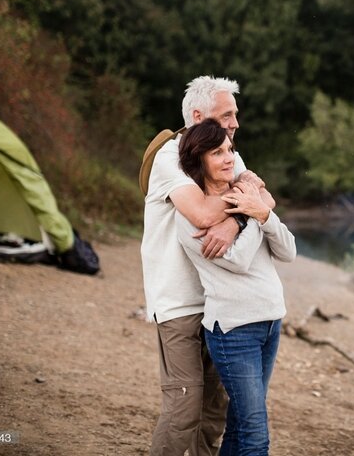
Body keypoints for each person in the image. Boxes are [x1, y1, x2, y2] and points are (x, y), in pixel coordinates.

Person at [142, 76, 274, 456]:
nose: (234, 123)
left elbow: (265, 201)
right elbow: (200, 213)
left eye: (235, 115)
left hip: (221, 302)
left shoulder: (228, 152)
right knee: (183, 408)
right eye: (226, 114)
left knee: (213, 413)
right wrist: (245, 198)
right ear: (198, 115)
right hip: (179, 301)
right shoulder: (170, 157)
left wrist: (235, 220)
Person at [176, 119, 296, 456]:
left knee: (240, 426)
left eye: (229, 149)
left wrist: (261, 214)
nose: (229, 157)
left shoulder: (246, 198)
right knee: (256, 434)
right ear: (198, 161)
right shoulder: (192, 218)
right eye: (217, 152)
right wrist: (251, 214)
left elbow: (289, 250)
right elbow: (239, 259)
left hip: (271, 322)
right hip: (233, 332)